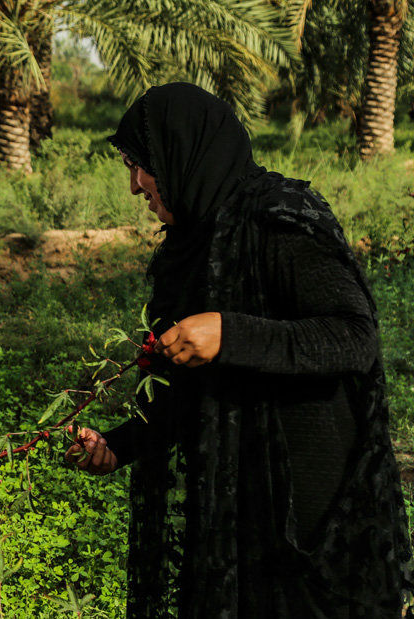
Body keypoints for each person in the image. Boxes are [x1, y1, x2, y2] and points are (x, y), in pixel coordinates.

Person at [68, 83, 411, 617]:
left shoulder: (279, 218)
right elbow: (191, 387)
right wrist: (122, 444)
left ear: (184, 153)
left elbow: (353, 336)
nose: (136, 186)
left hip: (311, 517)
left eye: (142, 165)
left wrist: (233, 333)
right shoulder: (192, 244)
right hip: (235, 507)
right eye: (130, 166)